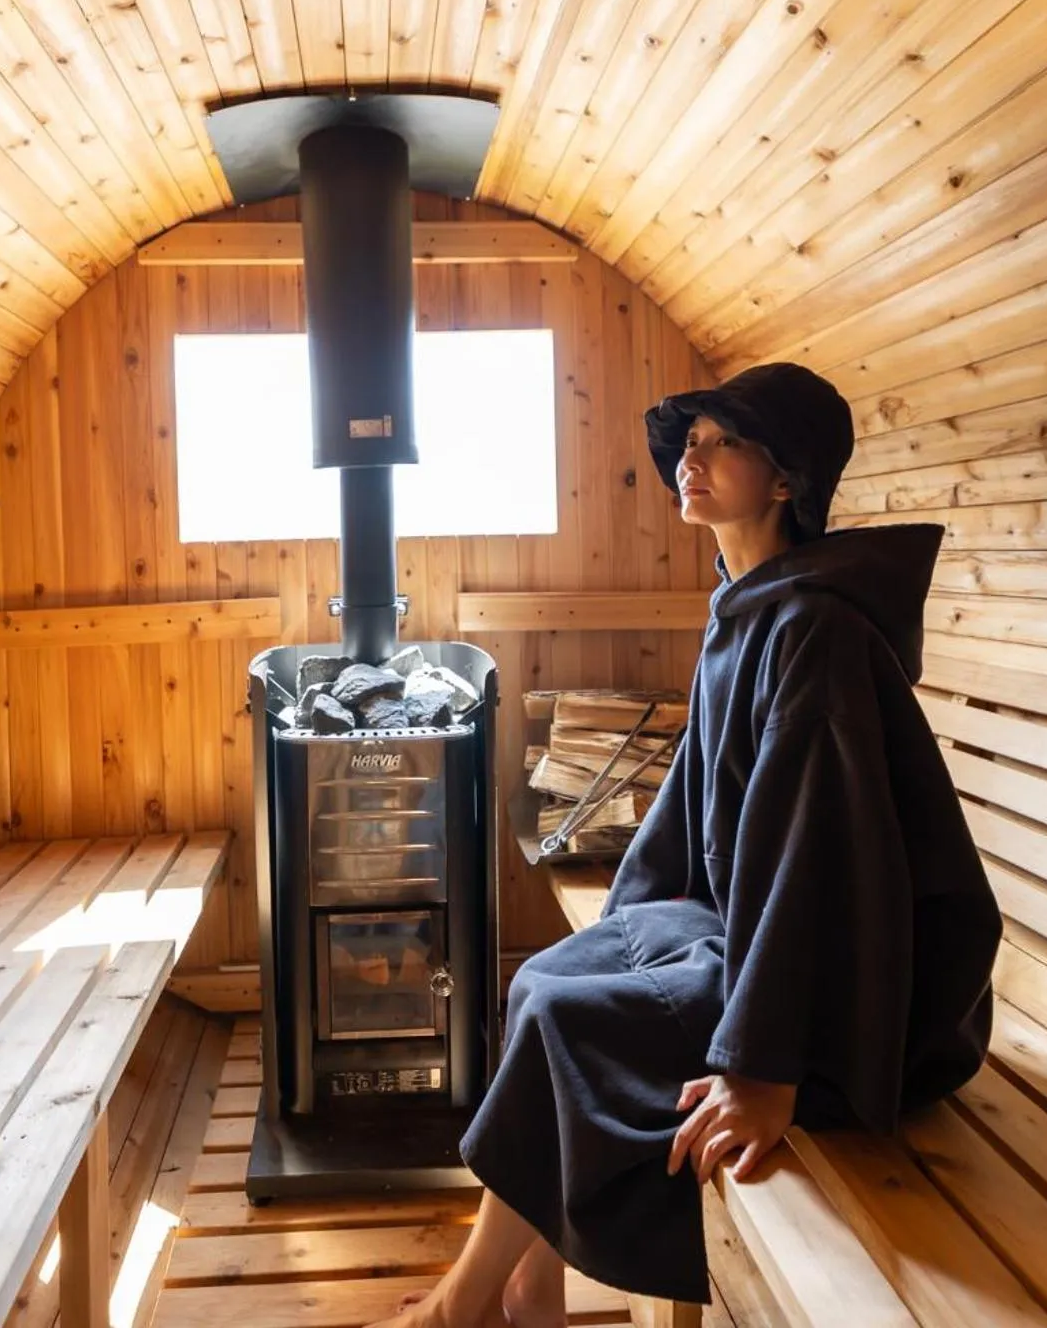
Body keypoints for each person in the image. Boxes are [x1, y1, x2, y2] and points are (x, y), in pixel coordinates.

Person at [368, 362, 1002, 1328]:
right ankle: (528, 1287)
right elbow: (694, 799)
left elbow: (818, 855)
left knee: (566, 1020)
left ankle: (462, 1310)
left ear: (786, 479)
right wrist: (629, 917)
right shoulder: (747, 604)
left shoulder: (815, 631)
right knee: (540, 983)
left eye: (723, 442)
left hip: (864, 995)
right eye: (690, 443)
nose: (690, 460)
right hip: (756, 930)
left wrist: (763, 1069)